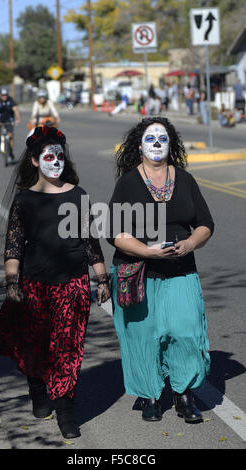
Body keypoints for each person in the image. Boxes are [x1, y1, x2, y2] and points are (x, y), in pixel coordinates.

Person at [0, 126, 110, 440]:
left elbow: (89, 241)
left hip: (73, 285)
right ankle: (37, 389)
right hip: (34, 287)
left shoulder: (78, 195)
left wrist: (102, 279)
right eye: (48, 156)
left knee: (68, 350)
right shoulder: (25, 201)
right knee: (36, 348)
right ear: (35, 161)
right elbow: (13, 246)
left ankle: (67, 412)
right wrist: (13, 283)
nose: (56, 161)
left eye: (59, 156)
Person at [107, 116, 214, 423]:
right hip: (138, 273)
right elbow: (114, 230)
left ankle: (183, 394)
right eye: (150, 139)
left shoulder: (185, 179)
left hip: (181, 270)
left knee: (186, 331)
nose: (156, 144)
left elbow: (206, 223)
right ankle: (150, 394)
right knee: (142, 336)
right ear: (139, 145)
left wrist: (191, 243)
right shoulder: (127, 183)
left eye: (162, 139)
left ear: (171, 145)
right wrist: (147, 251)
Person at [0, 88, 20, 160]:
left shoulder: (10, 100)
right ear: (0, 95)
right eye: (3, 95)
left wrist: (18, 119)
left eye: (6, 95)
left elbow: (15, 109)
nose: (4, 97)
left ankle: (10, 151)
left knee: (10, 135)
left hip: (9, 119)